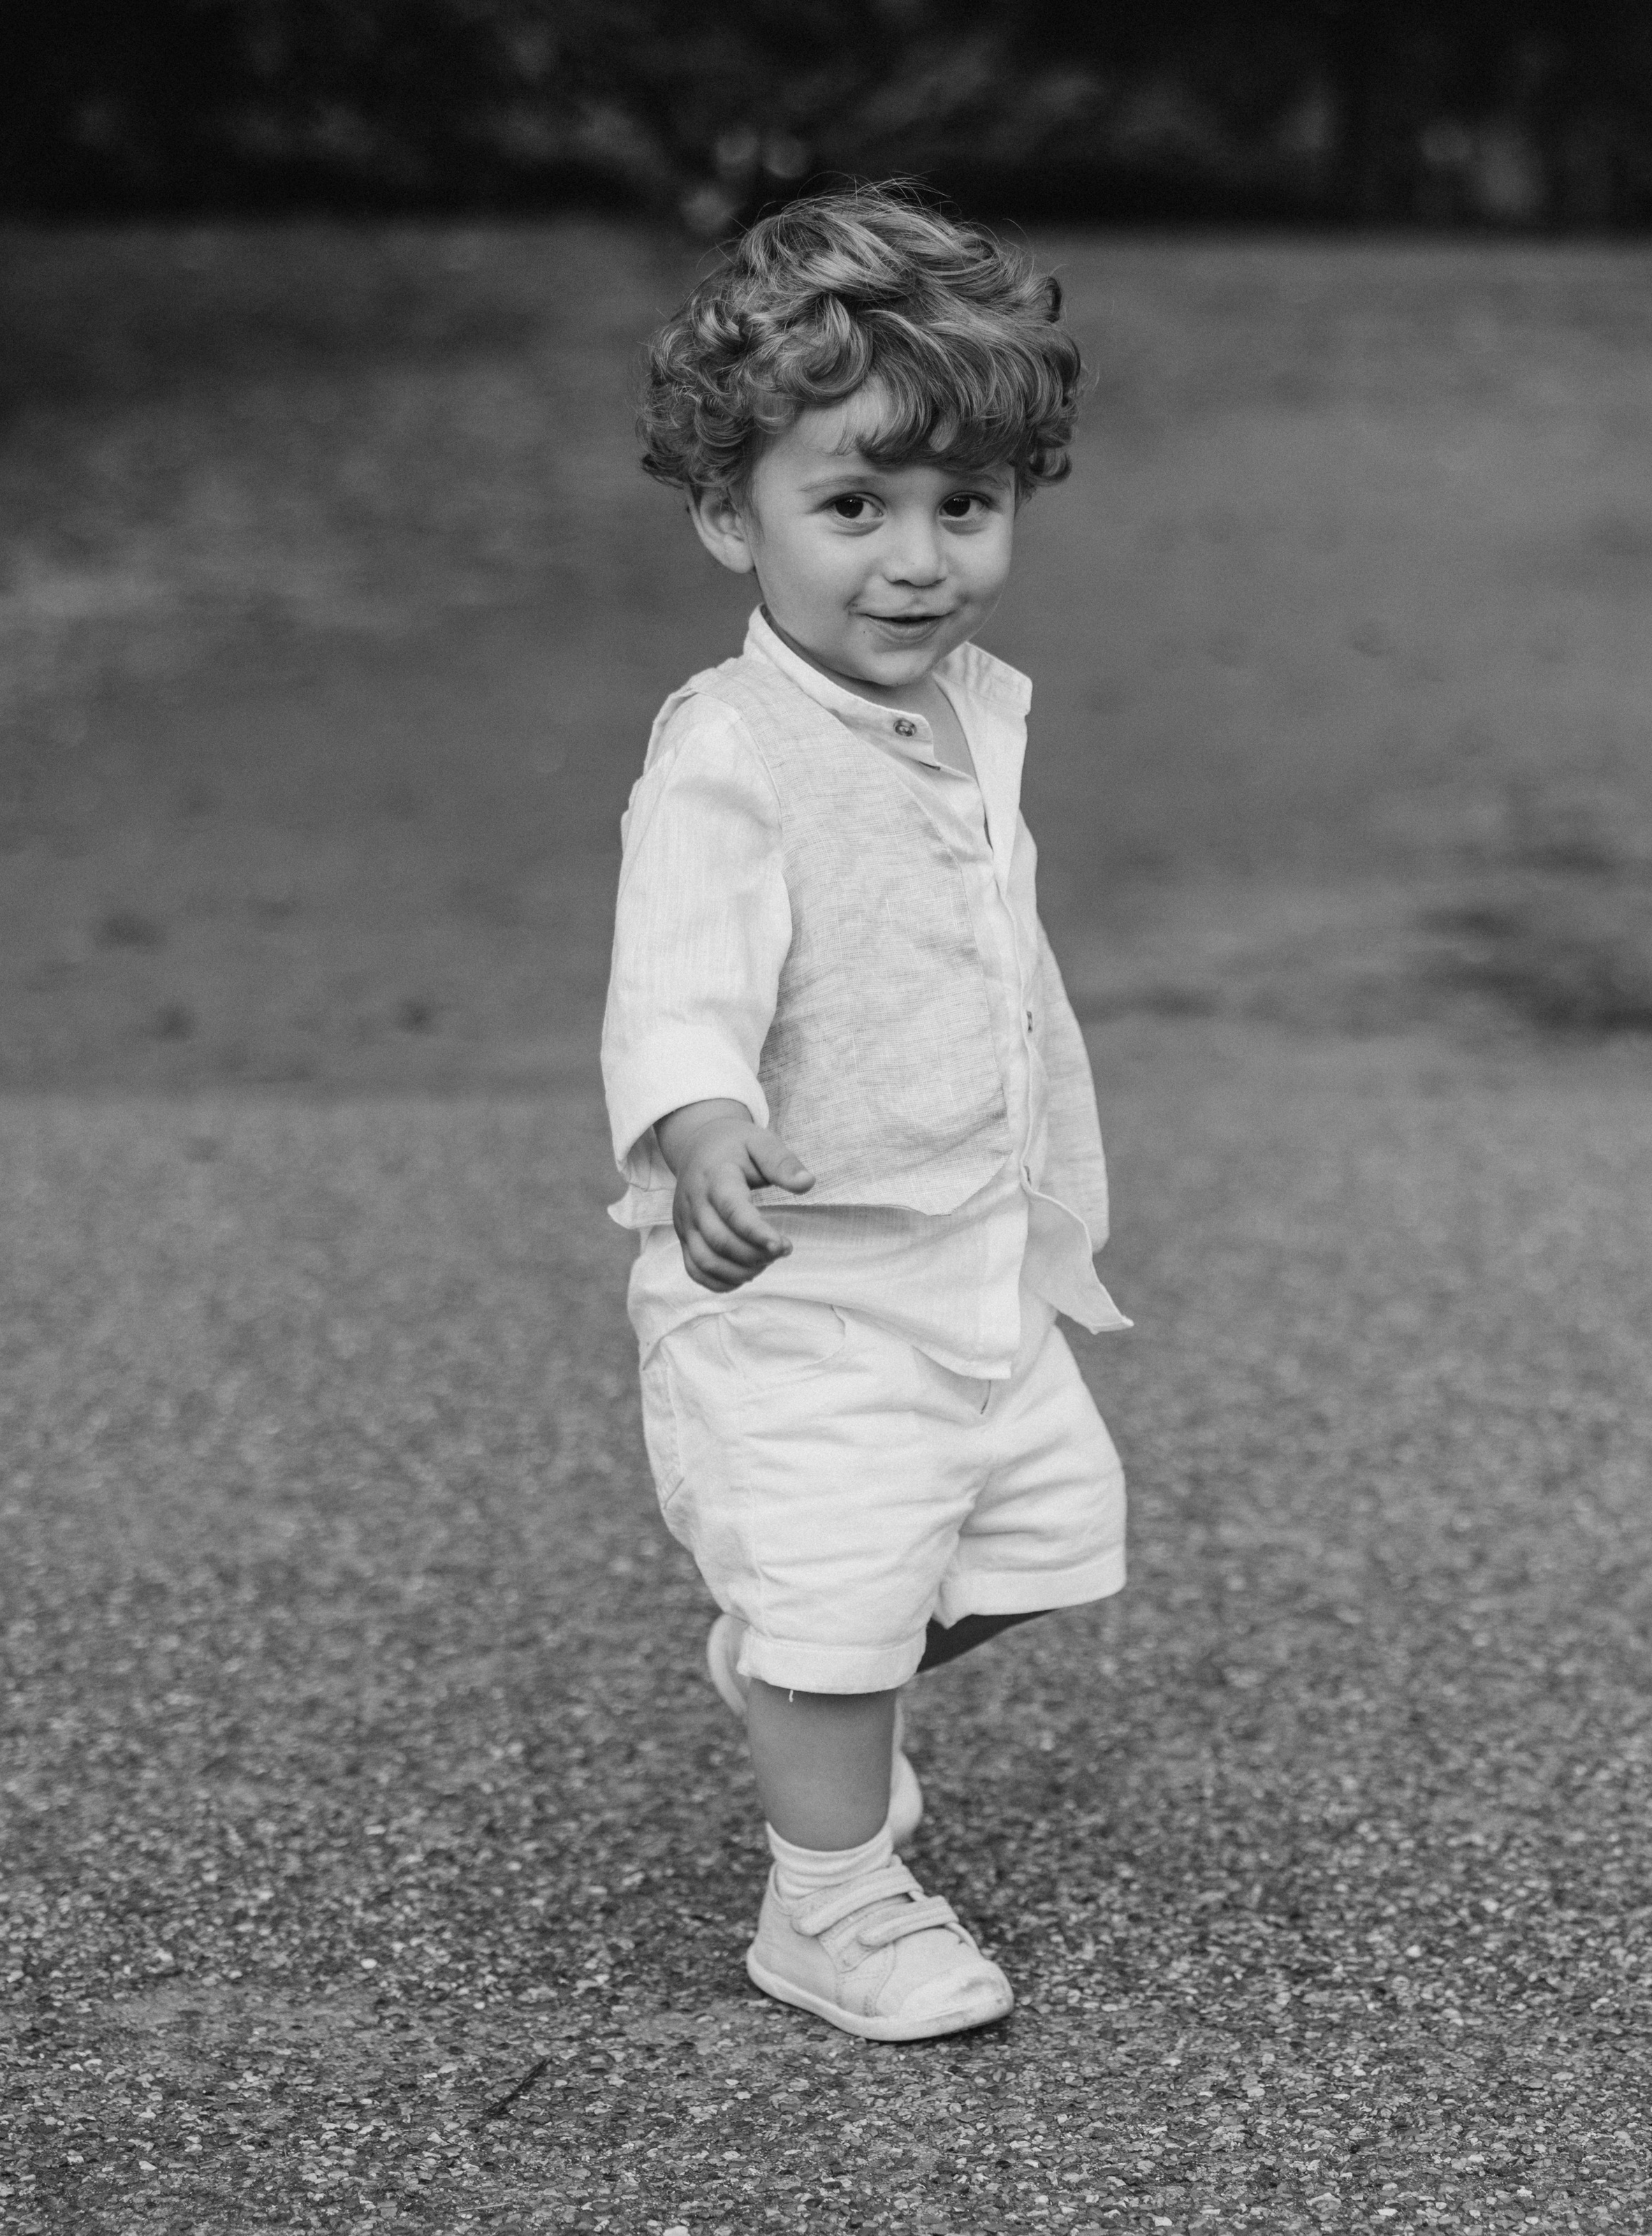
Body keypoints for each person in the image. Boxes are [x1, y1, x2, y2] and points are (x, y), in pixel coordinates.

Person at [602, 182, 1130, 2043]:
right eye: (854, 506)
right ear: (728, 513)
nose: (917, 560)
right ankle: (828, 1898)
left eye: (962, 508)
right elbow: (681, 976)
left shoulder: (968, 712)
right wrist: (697, 1126)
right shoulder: (728, 756)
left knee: (1045, 1543)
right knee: (843, 1604)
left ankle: (791, 1660)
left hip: (968, 1257)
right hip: (798, 1278)